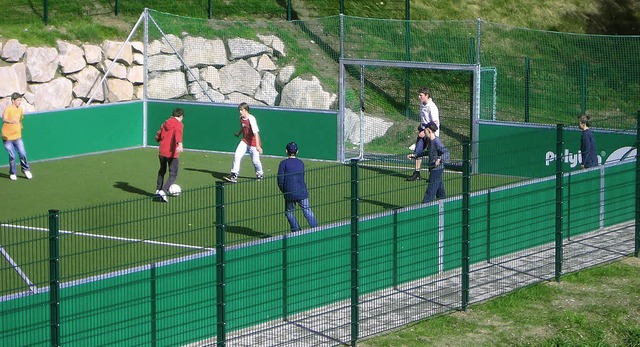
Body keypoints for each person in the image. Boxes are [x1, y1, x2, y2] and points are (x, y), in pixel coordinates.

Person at [277, 142, 318, 232]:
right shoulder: (301, 163)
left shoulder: (283, 164)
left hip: (289, 193)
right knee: (307, 210)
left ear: (286, 151)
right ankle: (316, 229)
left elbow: (280, 180)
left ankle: (296, 230)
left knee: (289, 213)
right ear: (297, 151)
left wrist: (284, 191)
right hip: (302, 191)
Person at [224, 102, 264, 183]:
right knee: (237, 155)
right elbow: (243, 127)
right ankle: (234, 175)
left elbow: (256, 133)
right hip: (245, 141)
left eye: (241, 110)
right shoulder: (241, 118)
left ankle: (260, 174)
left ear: (246, 110)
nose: (240, 112)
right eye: (239, 110)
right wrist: (238, 133)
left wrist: (258, 146)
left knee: (255, 161)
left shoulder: (251, 119)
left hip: (253, 143)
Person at [407, 87, 440, 181]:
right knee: (418, 151)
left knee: (432, 154)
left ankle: (432, 175)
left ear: (427, 95)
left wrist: (426, 132)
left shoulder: (432, 107)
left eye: (421, 95)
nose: (419, 97)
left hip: (431, 134)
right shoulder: (422, 104)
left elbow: (435, 123)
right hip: (423, 131)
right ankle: (417, 173)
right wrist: (421, 129)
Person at [154, 108, 184, 202]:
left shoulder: (165, 123)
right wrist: (179, 144)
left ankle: (158, 190)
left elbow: (159, 134)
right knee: (173, 174)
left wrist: (158, 139)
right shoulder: (179, 124)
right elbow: (178, 134)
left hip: (162, 151)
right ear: (181, 116)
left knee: (162, 171)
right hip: (171, 153)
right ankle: (163, 191)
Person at [2, 92, 32, 181]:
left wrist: (20, 125)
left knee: (23, 153)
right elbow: (4, 118)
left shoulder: (20, 109)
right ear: (13, 101)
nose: (20, 102)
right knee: (12, 156)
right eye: (18, 100)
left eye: (20, 100)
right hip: (7, 138)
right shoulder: (8, 109)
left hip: (17, 137)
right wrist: (11, 122)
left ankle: (25, 169)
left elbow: (20, 119)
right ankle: (12, 173)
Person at [420, 122, 449, 203]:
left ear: (429, 131)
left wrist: (440, 159)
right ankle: (444, 203)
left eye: (425, 130)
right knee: (440, 190)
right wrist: (415, 155)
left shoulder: (436, 141)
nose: (424, 132)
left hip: (437, 169)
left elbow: (446, 152)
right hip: (433, 168)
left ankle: (425, 206)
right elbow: (428, 152)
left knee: (431, 189)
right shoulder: (429, 141)